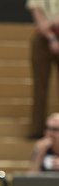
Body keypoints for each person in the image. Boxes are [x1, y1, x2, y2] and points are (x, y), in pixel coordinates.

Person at [26, 0, 59, 139]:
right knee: (40, 88)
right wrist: (52, 37)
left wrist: (50, 22)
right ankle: (38, 130)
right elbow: (41, 24)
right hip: (42, 40)